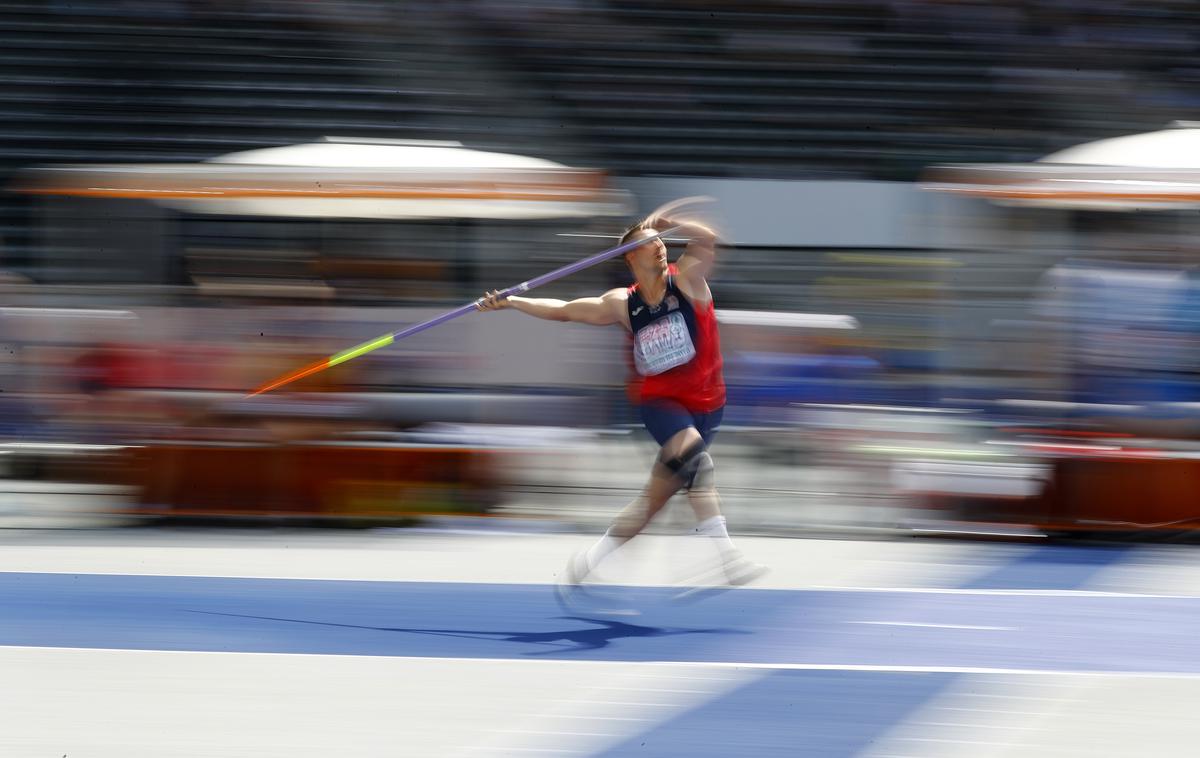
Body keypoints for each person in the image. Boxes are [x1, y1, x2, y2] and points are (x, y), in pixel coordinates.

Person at [476, 198, 767, 601]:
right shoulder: (621, 304)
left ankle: (588, 563)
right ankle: (727, 557)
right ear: (631, 256)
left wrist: (669, 220)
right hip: (660, 404)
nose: (662, 246)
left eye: (663, 241)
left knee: (655, 501)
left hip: (709, 404)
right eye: (652, 243)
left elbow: (707, 238)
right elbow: (564, 310)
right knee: (694, 453)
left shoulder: (687, 280)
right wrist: (512, 302)